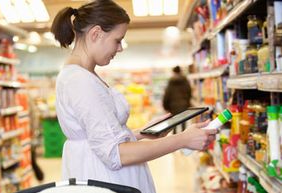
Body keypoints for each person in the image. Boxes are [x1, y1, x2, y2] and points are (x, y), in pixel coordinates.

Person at [51, 1, 217, 193]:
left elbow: (98, 136)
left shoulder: (84, 75)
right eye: (117, 40)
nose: (120, 48)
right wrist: (182, 140)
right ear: (95, 34)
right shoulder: (79, 80)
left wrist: (140, 133)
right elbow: (116, 154)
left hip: (103, 175)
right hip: (104, 179)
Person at [162, 65, 192, 133]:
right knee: (183, 122)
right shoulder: (185, 80)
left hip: (173, 106)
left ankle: (175, 136)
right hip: (184, 104)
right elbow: (189, 92)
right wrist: (187, 102)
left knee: (174, 123)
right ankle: (184, 136)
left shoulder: (171, 81)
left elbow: (167, 94)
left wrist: (165, 106)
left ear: (174, 72)